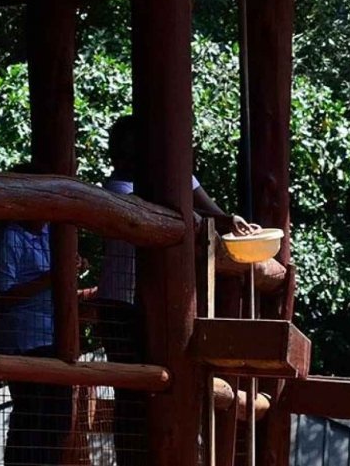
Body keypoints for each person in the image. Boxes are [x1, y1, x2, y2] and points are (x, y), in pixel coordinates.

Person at [95, 115, 255, 464]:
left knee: (161, 387)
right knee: (134, 391)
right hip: (122, 306)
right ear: (126, 156)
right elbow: (190, 219)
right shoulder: (119, 193)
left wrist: (226, 219)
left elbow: (203, 206)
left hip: (150, 304)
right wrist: (212, 221)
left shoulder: (162, 182)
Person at [0, 202, 71, 466]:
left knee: (57, 417)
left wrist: (73, 267)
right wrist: (50, 277)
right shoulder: (12, 237)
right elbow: (5, 294)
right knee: (30, 415)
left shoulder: (52, 233)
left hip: (55, 336)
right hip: (25, 339)